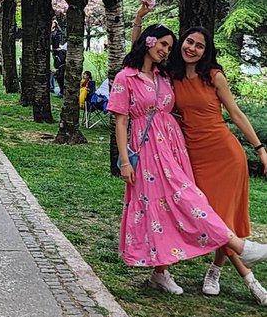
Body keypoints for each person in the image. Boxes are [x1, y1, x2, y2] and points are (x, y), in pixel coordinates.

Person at [108, 24, 267, 294]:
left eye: (199, 45)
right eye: (187, 43)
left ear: (206, 51)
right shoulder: (152, 75)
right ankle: (240, 256)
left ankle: (207, 271)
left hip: (201, 151)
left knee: (204, 208)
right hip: (168, 151)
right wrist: (138, 20)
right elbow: (134, 68)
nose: (189, 49)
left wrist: (260, 148)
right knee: (185, 206)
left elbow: (236, 114)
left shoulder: (190, 76)